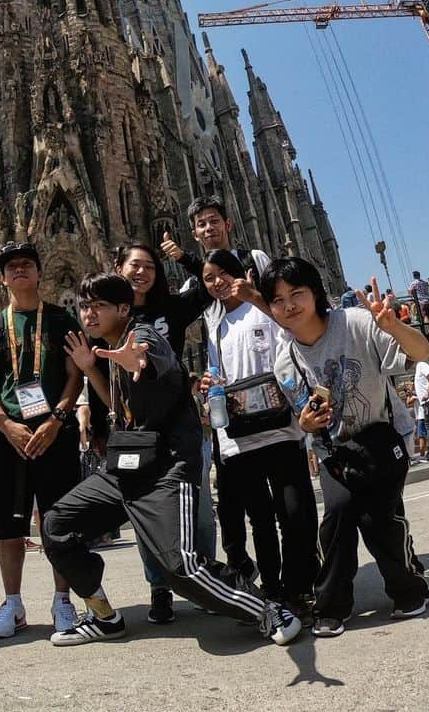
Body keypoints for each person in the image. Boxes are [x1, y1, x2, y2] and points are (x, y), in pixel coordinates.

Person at [44, 272, 302, 647]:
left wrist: (136, 360)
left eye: (98, 305)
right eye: (84, 305)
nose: (88, 313)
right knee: (56, 525)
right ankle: (103, 616)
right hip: (126, 466)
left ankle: (266, 608)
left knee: (180, 566)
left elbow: (150, 358)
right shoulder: (112, 350)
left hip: (165, 467)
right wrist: (90, 368)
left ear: (123, 308)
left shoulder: (143, 337)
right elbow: (121, 406)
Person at [262, 262, 429, 638]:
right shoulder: (284, 360)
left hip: (381, 439)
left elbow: (421, 353)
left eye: (296, 294)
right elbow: (302, 416)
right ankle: (333, 604)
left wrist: (395, 327)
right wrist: (306, 423)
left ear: (316, 293)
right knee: (336, 516)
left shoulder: (356, 322)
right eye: (277, 300)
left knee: (379, 521)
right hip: (335, 450)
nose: (288, 305)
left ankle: (410, 587)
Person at [0, 241, 84, 639]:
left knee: (58, 524)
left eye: (26, 264)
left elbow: (75, 375)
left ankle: (62, 601)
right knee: (8, 527)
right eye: (11, 266)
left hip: (56, 436)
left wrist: (58, 419)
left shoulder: (62, 320)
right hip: (10, 439)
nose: (19, 270)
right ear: (3, 278)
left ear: (38, 273)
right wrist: (5, 425)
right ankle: (13, 604)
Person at [198, 250, 318, 613]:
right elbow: (217, 368)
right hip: (243, 433)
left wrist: (255, 296)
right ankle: (274, 587)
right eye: (209, 277)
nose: (217, 281)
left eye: (223, 273)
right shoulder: (215, 325)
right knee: (261, 520)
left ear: (241, 273)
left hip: (281, 426)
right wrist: (209, 383)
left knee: (293, 512)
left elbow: (294, 332)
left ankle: (303, 585)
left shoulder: (266, 308)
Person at [162, 198, 271, 589]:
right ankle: (240, 564)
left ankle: (286, 574)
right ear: (194, 232)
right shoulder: (196, 285)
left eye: (213, 221)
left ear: (227, 222)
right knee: (229, 490)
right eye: (201, 225)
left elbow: (259, 293)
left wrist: (189, 260)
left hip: (267, 387)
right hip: (226, 394)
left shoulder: (253, 259)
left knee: (269, 490)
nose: (209, 228)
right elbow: (181, 315)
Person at [114, 239, 215, 623]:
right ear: (119, 269)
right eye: (134, 265)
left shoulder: (170, 308)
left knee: (201, 507)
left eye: (149, 267)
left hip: (181, 424)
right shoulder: (113, 317)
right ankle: (159, 587)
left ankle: (204, 578)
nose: (141, 273)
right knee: (146, 515)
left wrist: (186, 258)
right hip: (137, 429)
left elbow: (211, 285)